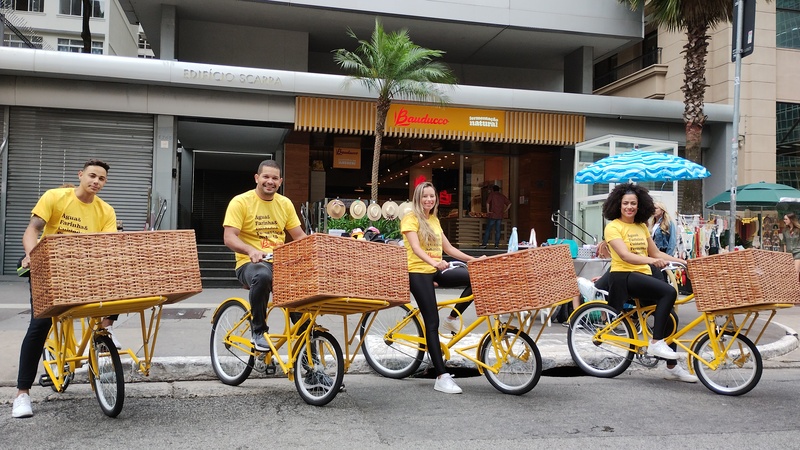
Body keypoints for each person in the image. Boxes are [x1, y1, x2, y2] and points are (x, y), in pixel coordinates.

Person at [13, 159, 118, 419]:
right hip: (47, 265)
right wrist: (32, 256)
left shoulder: (106, 211)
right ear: (81, 175)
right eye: (92, 176)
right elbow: (32, 230)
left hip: (81, 268)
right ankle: (22, 394)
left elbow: (106, 247)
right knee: (40, 325)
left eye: (101, 179)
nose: (96, 181)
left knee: (117, 296)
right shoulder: (55, 197)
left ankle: (103, 333)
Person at [602, 183, 697, 383]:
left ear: (640, 205)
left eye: (633, 203)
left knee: (671, 319)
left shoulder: (641, 226)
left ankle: (672, 367)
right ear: (618, 205)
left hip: (643, 275)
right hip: (624, 276)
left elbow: (655, 252)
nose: (629, 207)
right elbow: (626, 256)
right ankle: (655, 342)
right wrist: (653, 261)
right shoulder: (613, 227)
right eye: (625, 203)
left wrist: (683, 262)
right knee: (668, 292)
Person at [401, 181, 480, 394]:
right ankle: (441, 376)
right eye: (425, 196)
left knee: (477, 278)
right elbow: (416, 248)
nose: (429, 200)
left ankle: (452, 318)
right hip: (418, 272)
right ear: (418, 198)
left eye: (432, 196)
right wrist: (434, 262)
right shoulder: (410, 219)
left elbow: (449, 248)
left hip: (436, 268)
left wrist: (474, 260)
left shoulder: (434, 220)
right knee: (431, 322)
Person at [223, 160, 307, 352]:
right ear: (257, 178)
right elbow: (229, 237)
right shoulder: (241, 202)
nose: (270, 181)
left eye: (275, 178)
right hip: (249, 264)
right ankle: (259, 331)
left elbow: (299, 236)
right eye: (266, 176)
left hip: (280, 264)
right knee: (262, 275)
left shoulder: (284, 204)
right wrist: (250, 250)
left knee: (302, 298)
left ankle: (310, 362)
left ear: (281, 181)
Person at [480, 184, 510, 249]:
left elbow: (487, 203)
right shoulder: (502, 196)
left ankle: (484, 244)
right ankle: (496, 245)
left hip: (492, 215)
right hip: (500, 215)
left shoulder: (492, 195)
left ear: (493, 190)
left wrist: (488, 211)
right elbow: (509, 203)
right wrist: (505, 211)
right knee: (498, 230)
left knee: (488, 230)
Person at [782, 213, 800, 278]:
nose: (784, 220)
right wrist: (785, 254)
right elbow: (784, 243)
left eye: (786, 219)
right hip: (789, 253)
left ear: (791, 219)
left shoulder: (798, 230)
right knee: (789, 272)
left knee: (796, 271)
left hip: (798, 252)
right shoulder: (785, 230)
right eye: (784, 219)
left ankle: (796, 287)